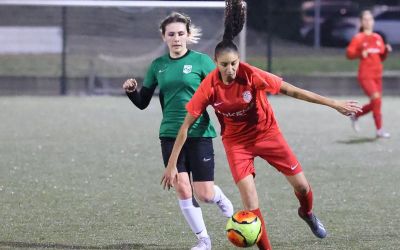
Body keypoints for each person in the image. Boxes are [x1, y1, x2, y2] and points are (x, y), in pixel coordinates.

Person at [161, 1, 362, 249]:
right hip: (237, 145)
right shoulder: (209, 86)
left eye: (234, 63)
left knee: (302, 186)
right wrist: (171, 166)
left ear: (239, 60)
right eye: (224, 65)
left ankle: (307, 213)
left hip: (268, 135)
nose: (231, 69)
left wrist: (334, 103)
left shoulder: (251, 74)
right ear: (216, 63)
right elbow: (184, 127)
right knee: (250, 202)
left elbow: (294, 91)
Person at [122, 12, 233, 250]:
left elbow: (220, 93)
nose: (176, 38)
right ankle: (204, 240)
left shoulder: (203, 62)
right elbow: (143, 102)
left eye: (181, 33)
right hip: (170, 133)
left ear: (188, 35)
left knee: (204, 194)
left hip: (200, 133)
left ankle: (218, 196)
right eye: (171, 34)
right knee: (182, 186)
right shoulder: (158, 66)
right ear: (164, 37)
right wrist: (132, 91)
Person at [346, 10, 392, 138]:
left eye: (370, 19)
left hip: (377, 75)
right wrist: (360, 54)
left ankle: (356, 115)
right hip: (365, 75)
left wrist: (386, 51)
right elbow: (349, 54)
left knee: (376, 103)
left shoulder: (377, 37)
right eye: (365, 19)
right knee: (376, 99)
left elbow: (381, 57)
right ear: (361, 22)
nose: (368, 21)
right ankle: (379, 130)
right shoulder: (358, 38)